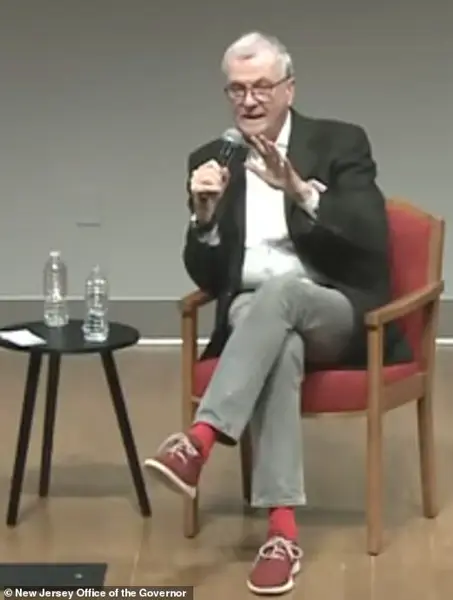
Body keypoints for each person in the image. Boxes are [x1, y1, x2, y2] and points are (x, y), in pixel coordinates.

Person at [144, 31, 411, 596]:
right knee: (278, 342)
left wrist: (298, 188)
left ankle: (201, 438)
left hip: (333, 309)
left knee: (284, 293)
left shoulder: (339, 142)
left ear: (289, 89)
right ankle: (282, 535)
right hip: (253, 317)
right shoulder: (212, 159)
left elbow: (369, 236)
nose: (249, 101)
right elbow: (207, 277)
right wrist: (203, 219)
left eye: (262, 87)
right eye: (237, 89)